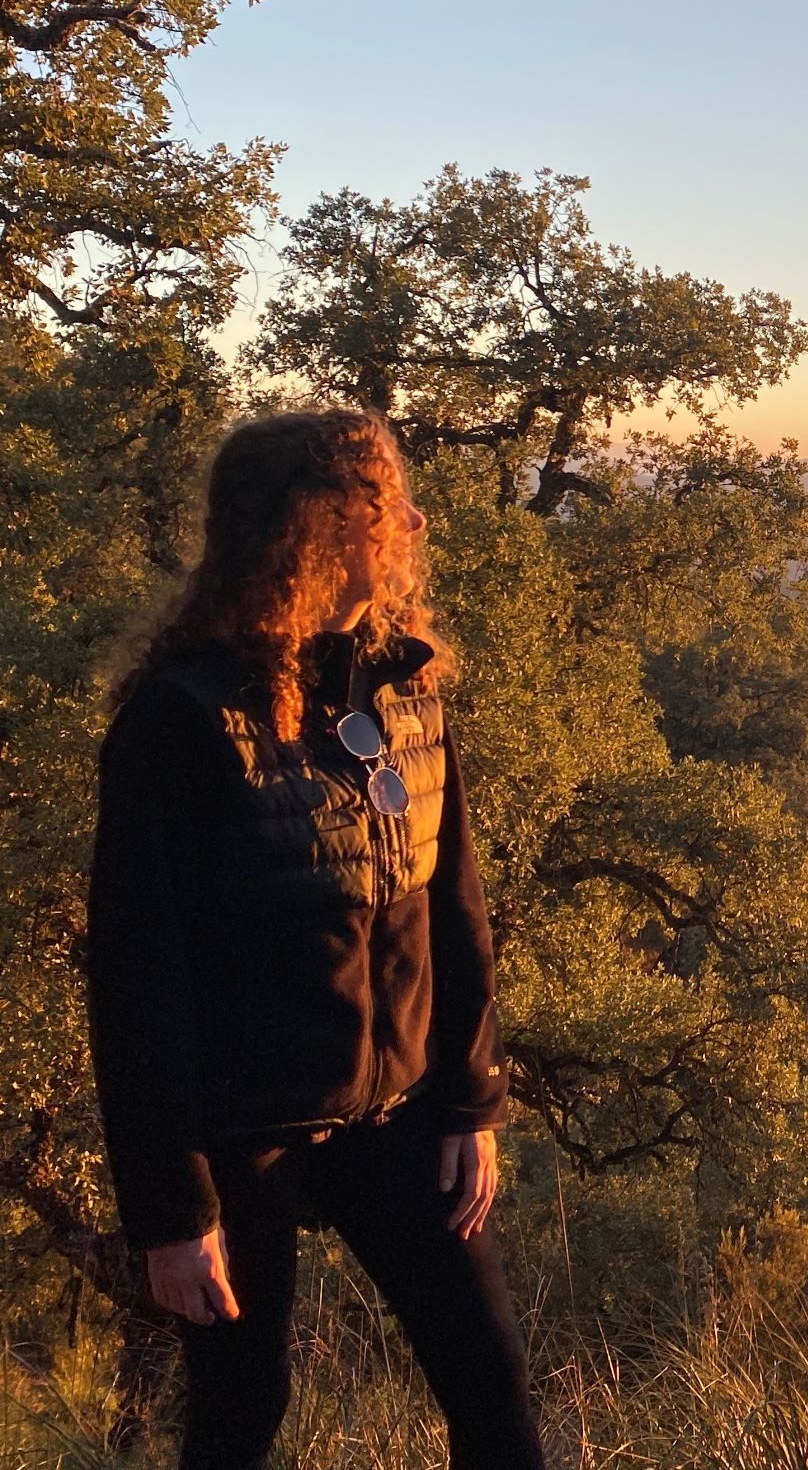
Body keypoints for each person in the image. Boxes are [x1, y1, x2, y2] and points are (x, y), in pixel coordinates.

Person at [84, 407, 544, 1469]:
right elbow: (134, 975)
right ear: (314, 528)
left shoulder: (405, 687)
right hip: (244, 1131)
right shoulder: (183, 717)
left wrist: (469, 1103)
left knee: (492, 1392)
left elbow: (454, 906)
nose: (412, 523)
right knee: (243, 1413)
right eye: (384, 506)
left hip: (405, 1112)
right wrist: (170, 1210)